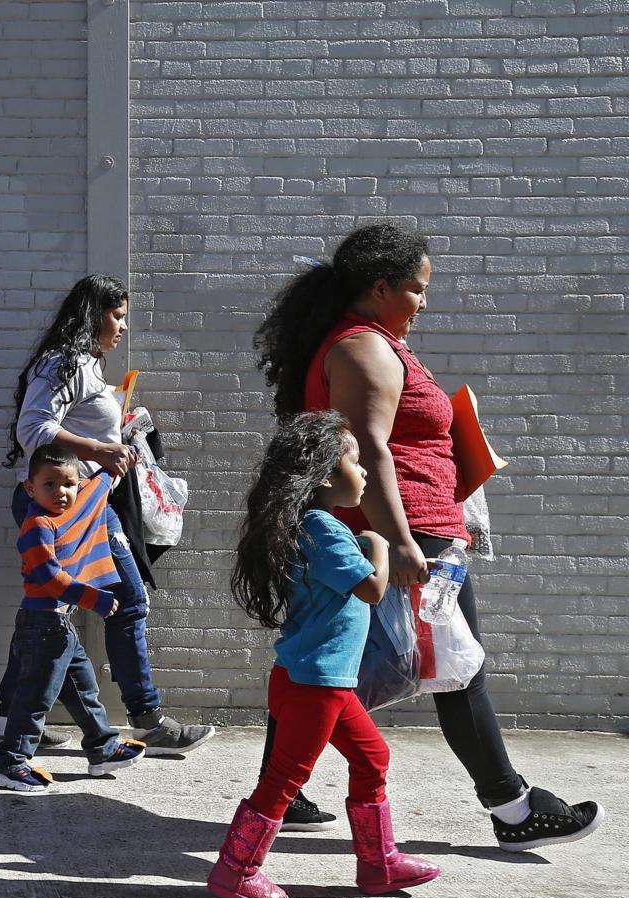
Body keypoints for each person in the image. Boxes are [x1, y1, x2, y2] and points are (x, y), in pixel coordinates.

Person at [253, 221, 604, 850]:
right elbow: (374, 452)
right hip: (405, 537)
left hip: (415, 530)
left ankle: (278, 792)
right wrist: (406, 543)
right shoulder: (362, 349)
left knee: (335, 669)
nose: (424, 302)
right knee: (452, 669)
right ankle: (514, 809)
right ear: (381, 286)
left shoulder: (374, 343)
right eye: (416, 290)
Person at [209, 411, 440, 898]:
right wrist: (379, 542)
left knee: (372, 756)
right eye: (355, 463)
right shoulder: (323, 528)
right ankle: (237, 870)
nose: (363, 474)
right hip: (317, 683)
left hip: (322, 682)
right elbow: (372, 588)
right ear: (325, 476)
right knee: (285, 779)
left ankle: (379, 864)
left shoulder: (315, 527)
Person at [0, 274, 217, 754]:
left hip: (90, 503)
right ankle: (148, 718)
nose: (121, 328)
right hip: (71, 509)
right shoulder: (63, 362)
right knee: (126, 601)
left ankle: (8, 716)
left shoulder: (85, 367)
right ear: (92, 314)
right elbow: (33, 429)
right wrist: (100, 446)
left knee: (50, 607)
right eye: (116, 316)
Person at [0, 444, 148, 791]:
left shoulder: (79, 503)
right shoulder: (37, 526)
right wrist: (95, 599)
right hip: (42, 624)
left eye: (68, 485)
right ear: (30, 488)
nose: (61, 492)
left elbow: (102, 483)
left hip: (58, 626)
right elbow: (50, 577)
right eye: (50, 484)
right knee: (34, 699)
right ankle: (9, 764)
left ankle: (103, 748)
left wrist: (125, 458)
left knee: (83, 688)